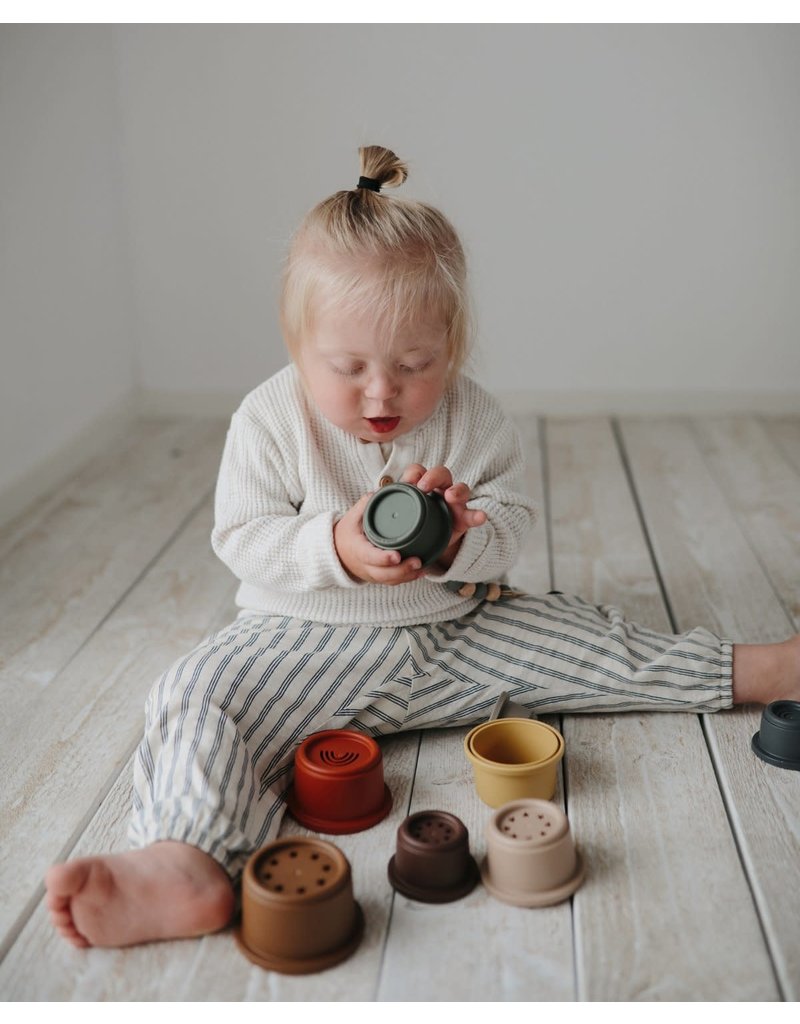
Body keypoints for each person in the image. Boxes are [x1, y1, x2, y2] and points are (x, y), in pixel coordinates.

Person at [45, 145, 800, 950]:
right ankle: (185, 863)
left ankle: (763, 669)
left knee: (594, 638)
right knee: (192, 695)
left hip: (461, 626)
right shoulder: (269, 418)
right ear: (298, 346)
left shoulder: (471, 417)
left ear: (455, 345)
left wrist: (457, 547)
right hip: (304, 641)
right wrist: (336, 543)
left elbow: (512, 522)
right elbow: (242, 536)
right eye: (349, 367)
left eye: (415, 364)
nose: (383, 392)